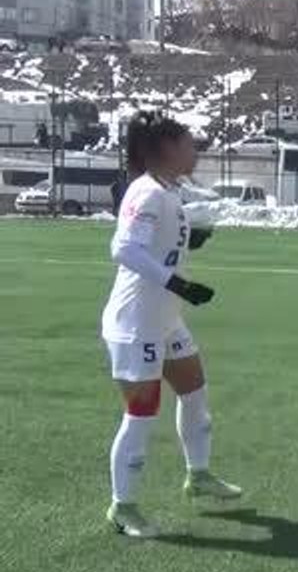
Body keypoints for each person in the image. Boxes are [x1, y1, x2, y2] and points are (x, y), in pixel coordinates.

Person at [101, 113, 239, 538]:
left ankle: (198, 476)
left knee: (195, 393)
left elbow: (156, 244)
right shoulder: (146, 191)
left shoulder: (167, 191)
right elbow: (123, 248)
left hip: (166, 320)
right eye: (187, 143)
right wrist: (178, 281)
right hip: (137, 324)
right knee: (141, 414)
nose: (193, 151)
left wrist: (187, 240)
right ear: (163, 148)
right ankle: (122, 508)